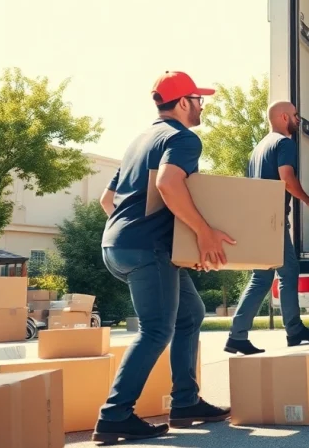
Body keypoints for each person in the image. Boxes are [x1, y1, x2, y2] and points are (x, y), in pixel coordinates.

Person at [94, 72, 232, 444]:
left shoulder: (139, 141)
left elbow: (107, 200)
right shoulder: (182, 138)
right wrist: (204, 232)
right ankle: (114, 416)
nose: (202, 106)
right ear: (184, 102)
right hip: (147, 249)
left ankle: (185, 402)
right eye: (198, 99)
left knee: (191, 314)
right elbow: (168, 184)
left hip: (117, 245)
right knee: (156, 330)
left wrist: (152, 238)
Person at [224, 101, 309, 355]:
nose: (298, 119)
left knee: (277, 273)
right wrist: (308, 200)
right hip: (271, 220)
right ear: (283, 117)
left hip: (257, 219)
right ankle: (279, 331)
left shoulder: (258, 148)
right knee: (274, 275)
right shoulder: (283, 144)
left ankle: (282, 330)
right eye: (295, 115)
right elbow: (286, 178)